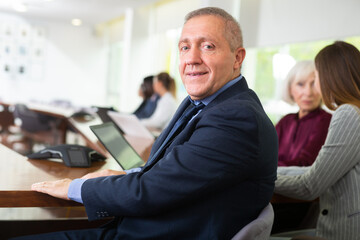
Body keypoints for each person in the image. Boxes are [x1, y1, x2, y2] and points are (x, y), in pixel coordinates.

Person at [17, 7, 278, 240]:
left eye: (207, 46)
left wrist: (76, 187)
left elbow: (149, 192)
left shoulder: (236, 117)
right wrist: (127, 175)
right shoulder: (205, 103)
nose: (191, 59)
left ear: (237, 58)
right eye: (185, 47)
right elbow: (170, 174)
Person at [275, 41, 360, 240]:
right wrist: (271, 172)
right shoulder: (354, 112)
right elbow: (317, 170)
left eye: (316, 78)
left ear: (329, 78)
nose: (314, 88)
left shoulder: (348, 114)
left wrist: (262, 178)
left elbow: (310, 184)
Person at [276, 60, 331, 167]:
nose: (308, 92)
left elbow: (306, 163)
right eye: (300, 84)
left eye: (314, 84)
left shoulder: (326, 120)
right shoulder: (285, 121)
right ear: (290, 88)